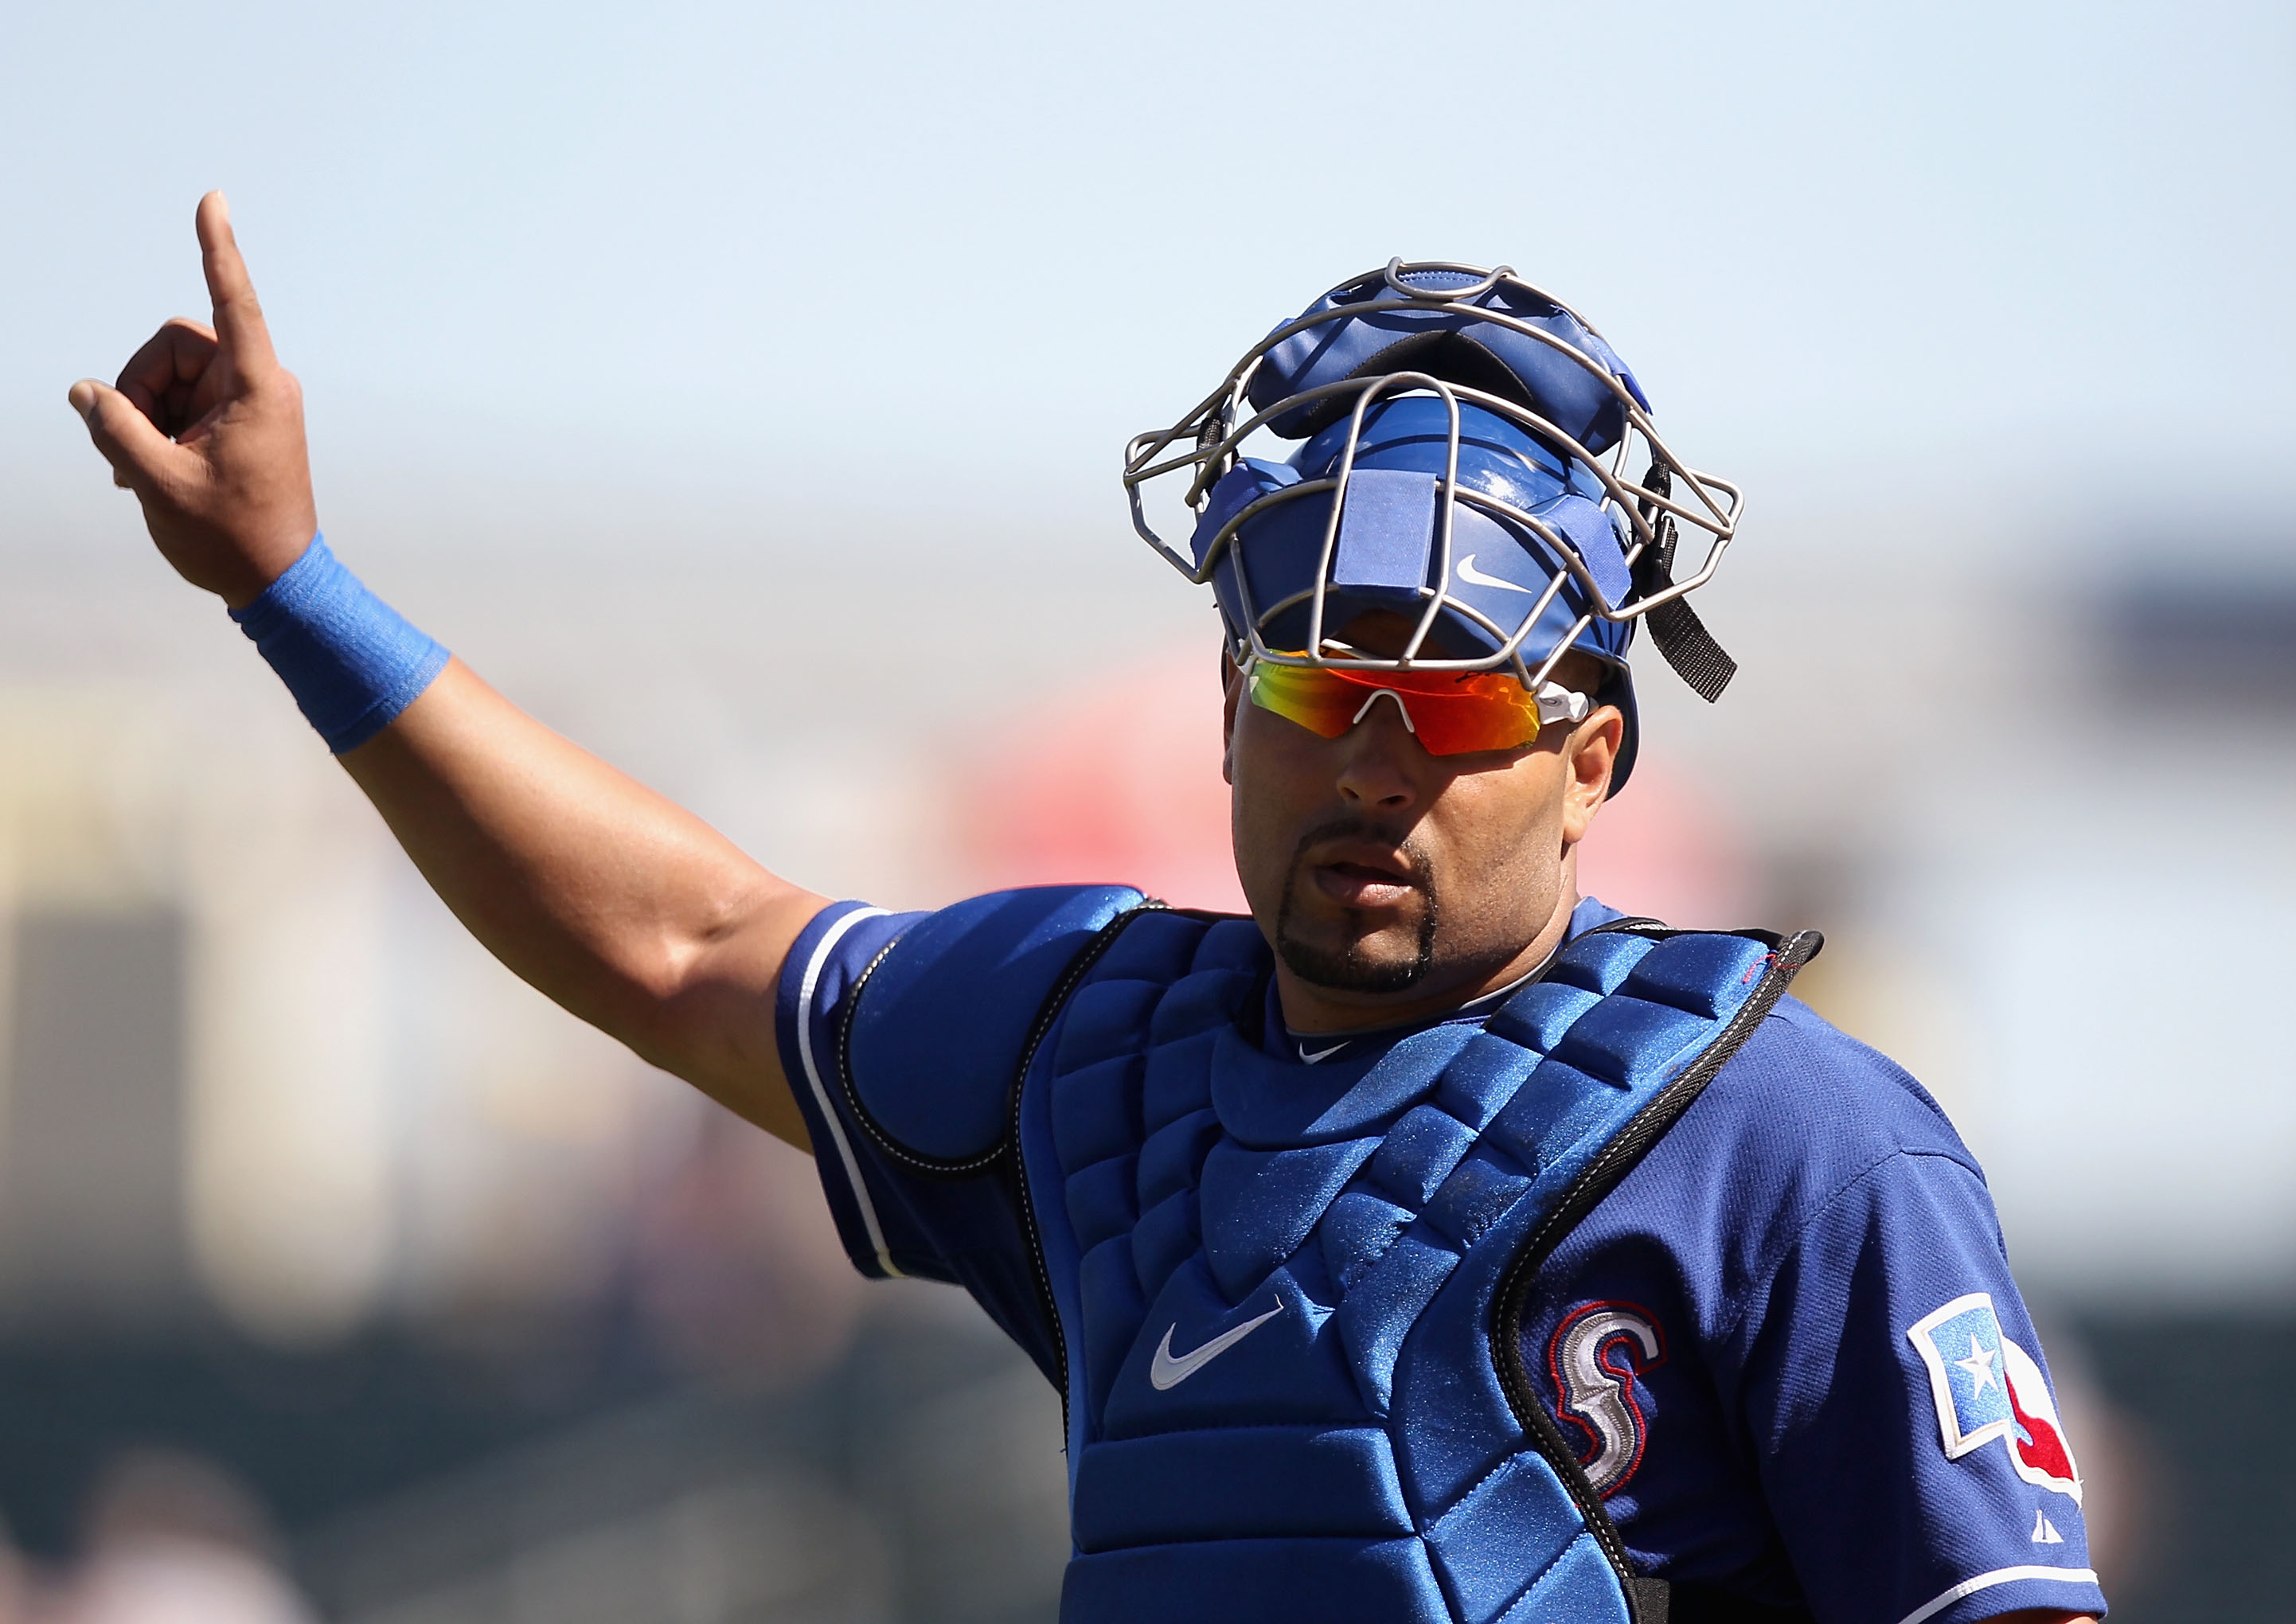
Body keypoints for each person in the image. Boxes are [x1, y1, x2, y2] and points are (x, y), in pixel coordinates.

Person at [67, 193, 2104, 1624]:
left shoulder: (1796, 1140)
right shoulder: (1095, 1054)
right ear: (1230, 714)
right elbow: (680, 946)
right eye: (1313, 683)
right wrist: (290, 586)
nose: (1372, 758)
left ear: (1592, 757)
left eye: (1457, 696)